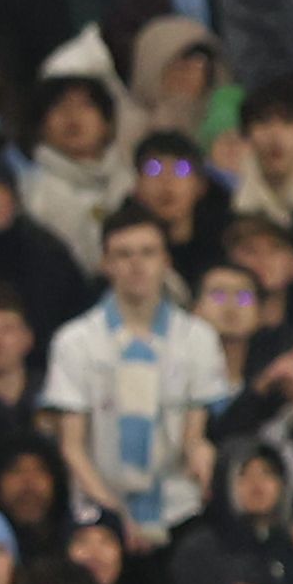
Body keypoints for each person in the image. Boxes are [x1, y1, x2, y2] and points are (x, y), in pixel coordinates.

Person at [41, 205, 231, 545]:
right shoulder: (76, 341)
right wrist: (114, 515)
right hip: (100, 515)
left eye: (147, 253)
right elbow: (72, 446)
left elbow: (194, 434)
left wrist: (201, 454)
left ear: (165, 261)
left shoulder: (198, 339)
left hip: (178, 509)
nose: (136, 265)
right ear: (105, 263)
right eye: (123, 254)